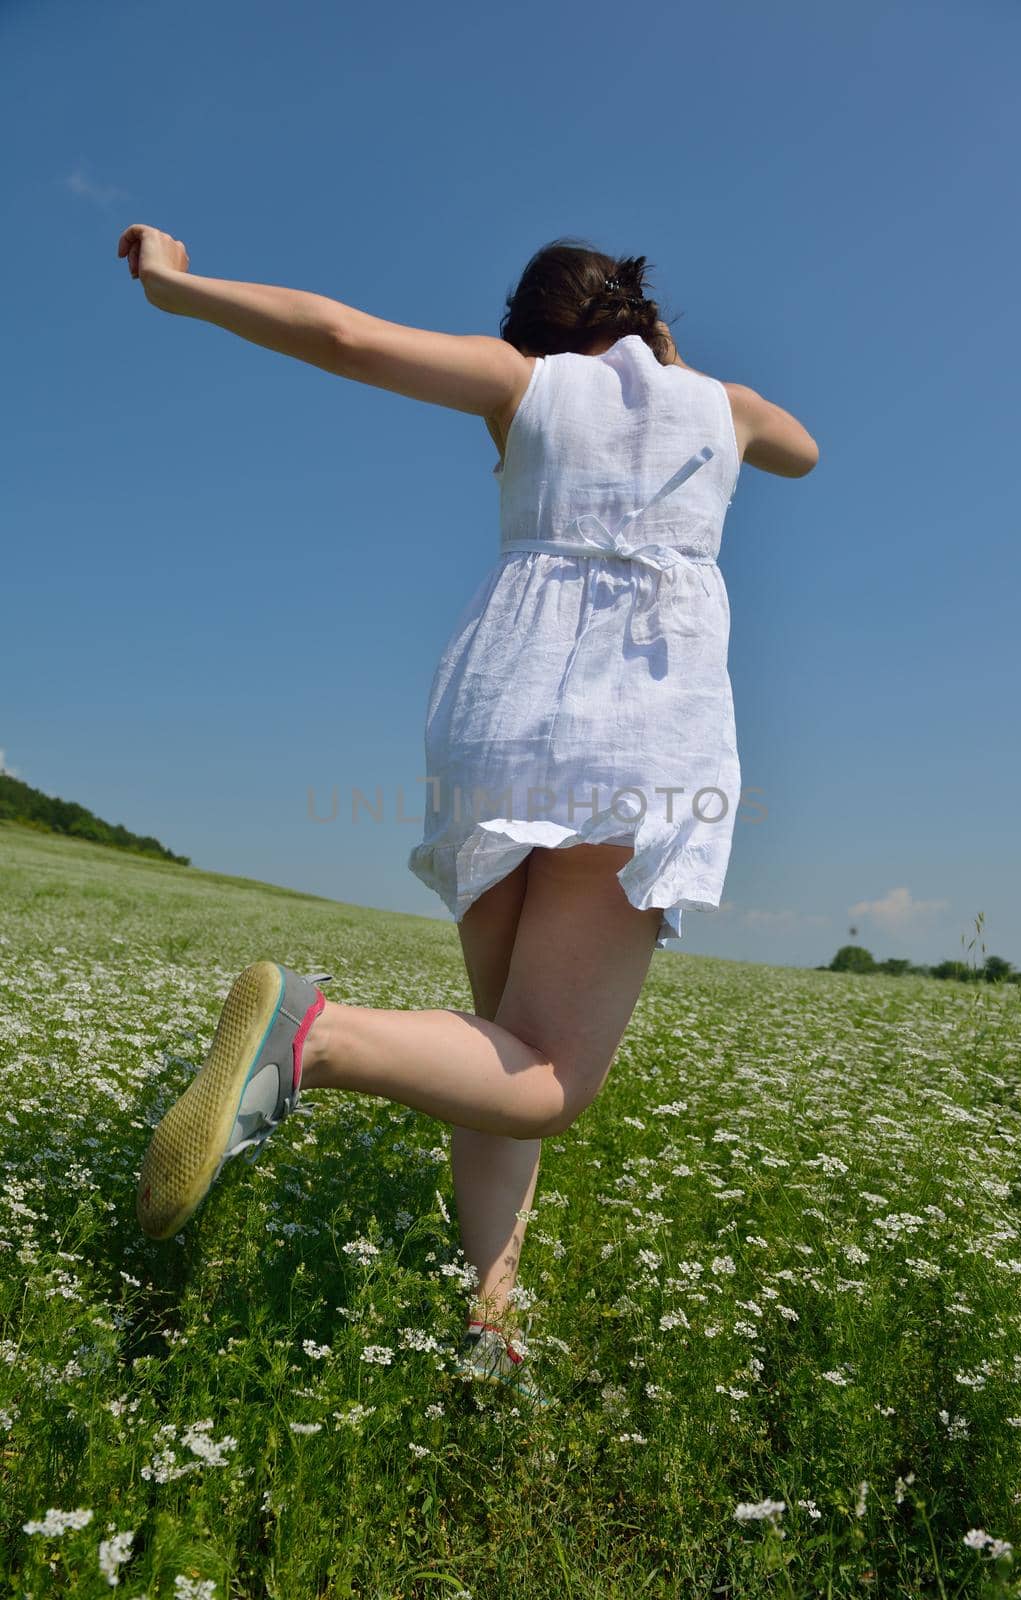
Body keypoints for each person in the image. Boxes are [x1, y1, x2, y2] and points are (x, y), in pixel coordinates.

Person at [118, 227, 819, 1401]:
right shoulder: (724, 407)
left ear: (535, 331)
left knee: (498, 1047)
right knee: (555, 1075)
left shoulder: (523, 384)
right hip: (637, 739)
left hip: (498, 721)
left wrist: (180, 288)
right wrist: (680, 366)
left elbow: (341, 334)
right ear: (641, 318)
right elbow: (802, 450)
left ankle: (489, 1319)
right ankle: (313, 1037)